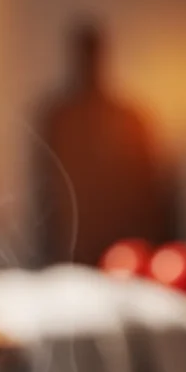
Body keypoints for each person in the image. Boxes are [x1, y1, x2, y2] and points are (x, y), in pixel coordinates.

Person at [38, 23, 161, 265]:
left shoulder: (128, 118)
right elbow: (45, 193)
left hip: (123, 256)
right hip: (71, 256)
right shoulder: (58, 119)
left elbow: (147, 194)